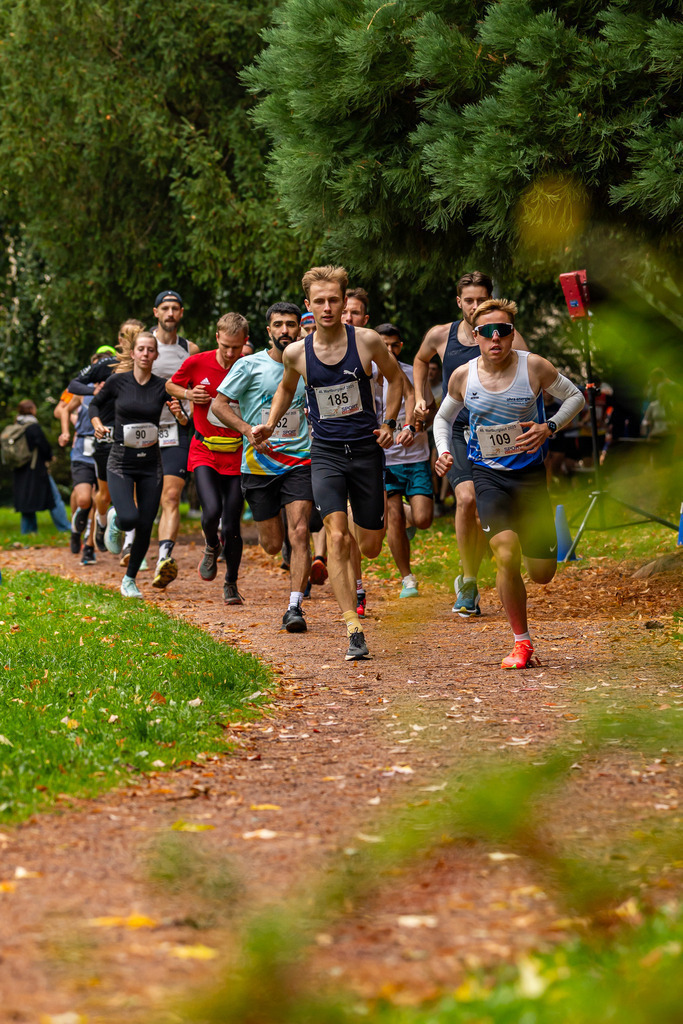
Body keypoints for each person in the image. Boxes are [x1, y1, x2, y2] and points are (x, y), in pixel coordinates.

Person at [253, 266, 402, 661]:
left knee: (369, 545)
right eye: (319, 301)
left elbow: (396, 379)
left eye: (334, 299)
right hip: (327, 454)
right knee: (336, 537)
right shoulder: (296, 352)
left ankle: (367, 528)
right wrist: (269, 424)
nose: (328, 307)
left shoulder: (367, 341)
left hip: (367, 452)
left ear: (344, 302)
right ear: (308, 306)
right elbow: (286, 389)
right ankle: (352, 627)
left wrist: (388, 422)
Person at [434, 299, 584, 668]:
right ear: (475, 336)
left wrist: (548, 427)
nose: (495, 337)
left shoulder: (533, 366)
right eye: (487, 332)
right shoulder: (463, 377)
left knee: (542, 573)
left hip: (531, 478)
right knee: (505, 554)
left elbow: (576, 397)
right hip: (487, 475)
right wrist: (443, 451)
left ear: (512, 333)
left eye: (502, 330)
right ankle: (522, 642)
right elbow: (442, 419)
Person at [414, 271, 528, 618]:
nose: (475, 306)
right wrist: (421, 398)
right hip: (458, 430)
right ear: (459, 302)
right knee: (465, 499)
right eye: (469, 300)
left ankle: (495, 565)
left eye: (481, 299)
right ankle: (468, 580)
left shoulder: (510, 336)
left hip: (497, 435)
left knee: (485, 506)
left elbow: (528, 375)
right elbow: (420, 360)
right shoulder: (441, 335)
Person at [211, 302, 313, 631]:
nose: (285, 330)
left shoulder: (311, 362)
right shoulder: (248, 365)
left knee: (299, 533)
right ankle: (282, 538)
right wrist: (246, 430)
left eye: (291, 324)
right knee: (271, 543)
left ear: (300, 328)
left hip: (301, 460)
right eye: (278, 324)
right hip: (258, 465)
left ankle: (294, 607)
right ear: (268, 331)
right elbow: (218, 404)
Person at [89, 331, 178, 598]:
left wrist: (180, 415)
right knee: (129, 517)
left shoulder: (162, 385)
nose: (145, 354)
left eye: (150, 350)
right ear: (133, 353)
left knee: (145, 523)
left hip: (152, 464)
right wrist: (97, 424)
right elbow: (94, 405)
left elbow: (183, 420)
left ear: (155, 355)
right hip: (120, 462)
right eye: (141, 349)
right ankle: (117, 519)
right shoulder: (118, 382)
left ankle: (129, 580)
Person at [166, 313, 246, 604]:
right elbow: (170, 386)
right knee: (211, 511)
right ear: (217, 338)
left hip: (237, 452)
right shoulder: (198, 362)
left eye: (236, 347)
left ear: (244, 343)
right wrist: (189, 393)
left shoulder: (247, 366)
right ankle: (211, 545)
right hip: (204, 450)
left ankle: (231, 584)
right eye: (225, 346)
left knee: (233, 523)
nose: (229, 353)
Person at [68, 330, 142, 555]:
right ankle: (101, 523)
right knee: (101, 495)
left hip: (134, 441)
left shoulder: (149, 365)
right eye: (127, 336)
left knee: (135, 493)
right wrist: (95, 390)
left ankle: (130, 544)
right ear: (121, 341)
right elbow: (74, 388)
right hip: (100, 440)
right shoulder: (107, 366)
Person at [375, 323, 434, 597]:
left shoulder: (414, 373)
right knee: (393, 517)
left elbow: (429, 411)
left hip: (415, 457)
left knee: (422, 519)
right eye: (384, 345)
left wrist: (418, 426)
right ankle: (407, 577)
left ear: (401, 346)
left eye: (395, 345)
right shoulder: (367, 375)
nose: (390, 350)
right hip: (384, 460)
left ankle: (412, 516)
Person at [150, 289, 199, 589]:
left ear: (181, 313)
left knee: (171, 496)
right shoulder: (143, 345)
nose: (170, 313)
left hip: (176, 429)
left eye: (175, 308)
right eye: (165, 308)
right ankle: (130, 540)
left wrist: (186, 416)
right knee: (143, 497)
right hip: (141, 431)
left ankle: (164, 558)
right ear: (156, 312)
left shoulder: (189, 349)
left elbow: (195, 388)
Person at [8, 400, 67, 534]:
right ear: (32, 409)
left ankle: (28, 532)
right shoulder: (32, 426)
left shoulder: (17, 425)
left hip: (20, 469)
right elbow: (43, 445)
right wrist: (50, 457)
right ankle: (65, 528)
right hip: (36, 469)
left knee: (26, 501)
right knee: (54, 498)